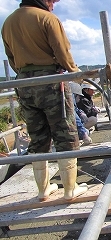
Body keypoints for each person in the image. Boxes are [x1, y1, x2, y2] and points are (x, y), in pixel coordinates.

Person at [1, 0, 88, 202]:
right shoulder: (47, 18)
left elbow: (11, 58)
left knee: (37, 136)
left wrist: (28, 76)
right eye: (52, 1)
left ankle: (43, 190)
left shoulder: (8, 22)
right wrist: (75, 73)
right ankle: (70, 189)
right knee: (65, 133)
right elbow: (62, 52)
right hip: (51, 81)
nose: (53, 5)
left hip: (24, 83)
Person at [69, 82, 92, 146]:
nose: (79, 98)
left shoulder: (72, 100)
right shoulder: (69, 99)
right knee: (86, 132)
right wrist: (84, 134)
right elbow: (73, 114)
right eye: (78, 96)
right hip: (66, 129)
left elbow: (75, 109)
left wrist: (80, 113)